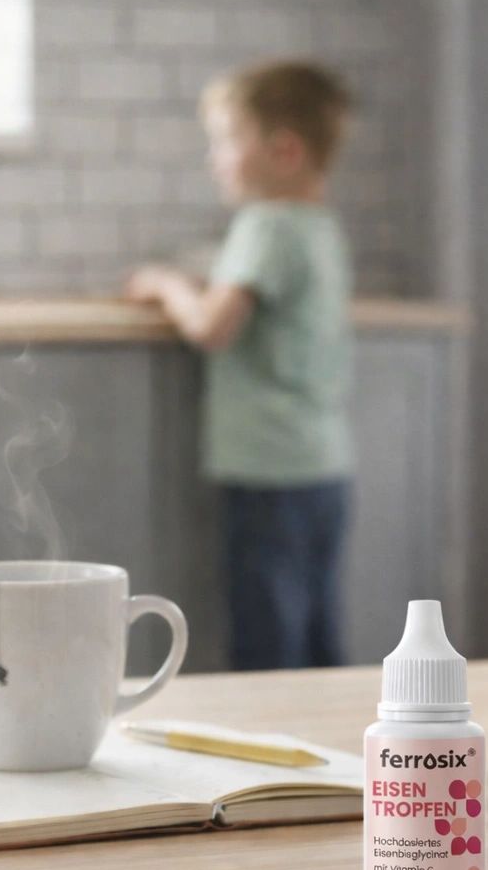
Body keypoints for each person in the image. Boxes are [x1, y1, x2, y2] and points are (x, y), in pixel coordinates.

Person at [125, 59, 354, 670]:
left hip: (267, 468)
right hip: (323, 464)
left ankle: (269, 731)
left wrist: (167, 285)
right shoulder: (319, 227)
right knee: (316, 634)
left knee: (267, 639)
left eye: (227, 140)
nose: (216, 159)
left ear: (283, 150)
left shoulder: (265, 225)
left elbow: (211, 326)